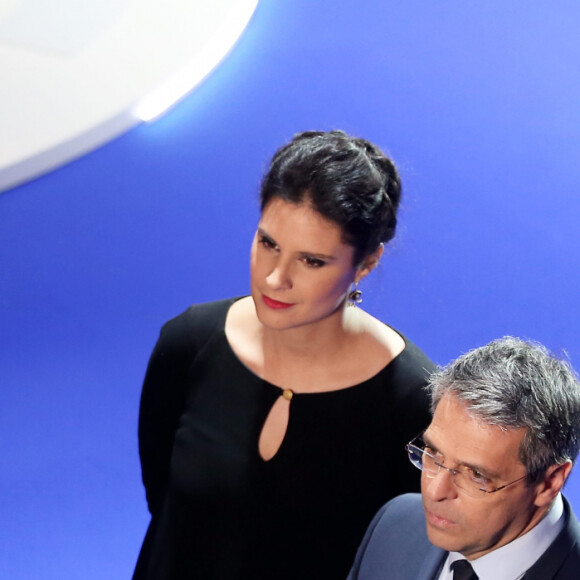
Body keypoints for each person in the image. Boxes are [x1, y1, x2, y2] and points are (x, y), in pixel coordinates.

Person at [132, 130, 435, 580]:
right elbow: (165, 499)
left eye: (311, 261)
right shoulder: (189, 343)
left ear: (367, 263)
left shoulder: (414, 402)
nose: (274, 279)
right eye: (267, 243)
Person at [348, 337, 580, 580]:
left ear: (550, 482)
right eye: (433, 454)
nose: (435, 491)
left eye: (476, 475)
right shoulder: (394, 525)